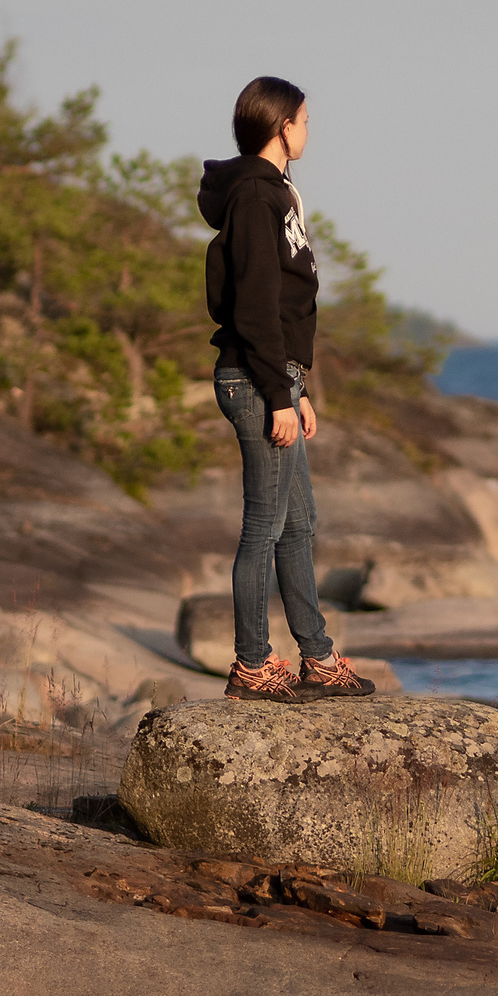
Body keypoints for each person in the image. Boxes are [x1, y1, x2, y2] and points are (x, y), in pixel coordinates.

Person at [197, 76, 375, 703]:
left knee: (299, 523)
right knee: (264, 527)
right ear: (283, 127)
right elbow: (255, 307)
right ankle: (251, 664)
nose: (308, 131)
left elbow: (285, 305)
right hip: (253, 380)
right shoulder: (254, 197)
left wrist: (296, 390)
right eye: (304, 120)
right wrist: (277, 395)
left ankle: (318, 660)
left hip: (275, 377)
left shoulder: (274, 192)